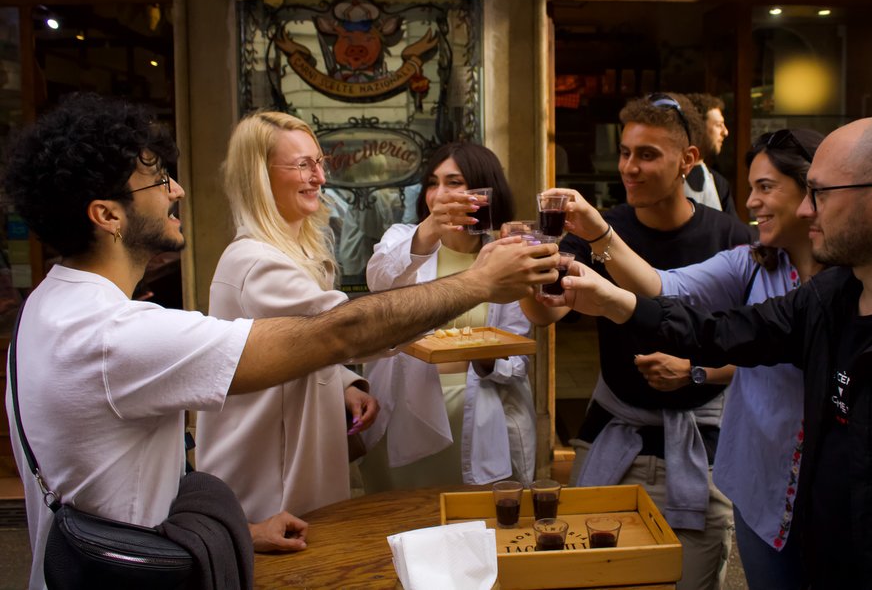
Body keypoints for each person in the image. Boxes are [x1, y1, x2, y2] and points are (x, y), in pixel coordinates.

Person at [3, 93, 559, 589]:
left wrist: (244, 527)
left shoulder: (50, 307)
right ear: (106, 215)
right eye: (156, 182)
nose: (176, 190)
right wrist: (480, 282)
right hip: (136, 570)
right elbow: (344, 330)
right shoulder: (118, 333)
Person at [550, 116, 872, 590]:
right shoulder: (830, 296)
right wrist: (614, 301)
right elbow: (722, 332)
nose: (807, 211)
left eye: (819, 193)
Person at [522, 92, 755, 590]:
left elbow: (760, 350)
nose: (630, 166)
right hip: (614, 435)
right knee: (599, 579)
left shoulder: (730, 239)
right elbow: (547, 314)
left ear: (687, 160)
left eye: (647, 155)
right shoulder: (597, 228)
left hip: (701, 446)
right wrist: (526, 273)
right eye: (625, 152)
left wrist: (697, 372)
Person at [575, 128, 823, 590]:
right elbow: (664, 287)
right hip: (759, 491)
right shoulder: (750, 262)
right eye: (750, 188)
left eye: (765, 187)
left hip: (827, 495)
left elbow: (717, 335)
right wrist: (597, 233)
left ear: (812, 190)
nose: (750, 202)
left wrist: (692, 366)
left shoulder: (853, 285)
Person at [195, 112, 378, 523]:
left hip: (290, 455)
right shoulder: (259, 264)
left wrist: (345, 384)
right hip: (268, 474)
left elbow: (294, 348)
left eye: (319, 162)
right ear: (260, 177)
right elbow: (349, 329)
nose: (320, 178)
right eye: (303, 165)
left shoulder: (294, 252)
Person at [361, 142, 536, 490]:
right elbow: (380, 281)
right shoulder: (403, 240)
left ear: (484, 191)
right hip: (406, 412)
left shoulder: (506, 253)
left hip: (476, 415)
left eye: (454, 183)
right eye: (432, 183)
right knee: (401, 522)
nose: (440, 194)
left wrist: (488, 360)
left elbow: (516, 357)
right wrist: (429, 229)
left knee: (471, 526)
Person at [684, 93, 737, 217]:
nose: (725, 132)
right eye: (718, 125)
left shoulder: (719, 183)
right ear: (698, 128)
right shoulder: (667, 180)